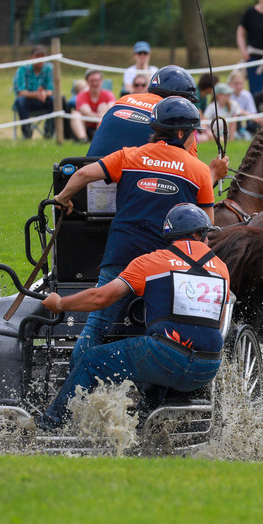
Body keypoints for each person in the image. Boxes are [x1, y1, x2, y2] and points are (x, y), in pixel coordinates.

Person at [57, 96, 226, 375]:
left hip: (120, 253)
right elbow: (206, 227)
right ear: (181, 133)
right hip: (166, 266)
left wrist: (64, 198)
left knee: (95, 328)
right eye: (193, 131)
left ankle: (73, 386)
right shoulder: (198, 171)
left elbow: (85, 173)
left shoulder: (129, 155)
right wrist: (212, 176)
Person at [36, 203, 230, 432]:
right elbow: (217, 323)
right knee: (159, 362)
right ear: (199, 234)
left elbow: (100, 298)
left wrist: (60, 303)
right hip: (207, 368)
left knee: (91, 360)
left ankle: (49, 424)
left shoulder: (151, 261)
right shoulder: (221, 268)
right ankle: (143, 426)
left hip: (166, 359)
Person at [12, 44, 54, 139]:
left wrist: (44, 93)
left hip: (44, 100)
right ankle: (27, 132)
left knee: (55, 100)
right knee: (20, 101)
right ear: (31, 57)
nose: (40, 59)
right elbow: (20, 92)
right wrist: (37, 94)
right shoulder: (22, 69)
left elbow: (51, 90)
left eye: (42, 56)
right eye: (37, 56)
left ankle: (49, 132)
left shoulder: (49, 68)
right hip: (28, 102)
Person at [70, 68, 115, 143]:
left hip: (102, 125)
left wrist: (102, 114)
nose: (95, 84)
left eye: (97, 81)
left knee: (103, 106)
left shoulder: (108, 94)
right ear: (87, 82)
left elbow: (112, 108)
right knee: (75, 114)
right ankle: (83, 139)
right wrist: (99, 116)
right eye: (92, 81)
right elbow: (85, 111)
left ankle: (99, 138)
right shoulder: (81, 95)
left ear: (101, 81)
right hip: (87, 125)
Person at [226, 69, 258, 138]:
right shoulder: (226, 95)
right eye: (236, 83)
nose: (238, 86)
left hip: (242, 128)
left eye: (241, 83)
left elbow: (253, 114)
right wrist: (242, 112)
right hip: (226, 128)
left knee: (247, 137)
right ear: (230, 83)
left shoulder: (247, 95)